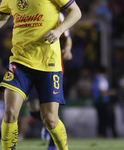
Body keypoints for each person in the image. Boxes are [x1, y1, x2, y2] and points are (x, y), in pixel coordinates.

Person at [0, 0, 81, 149]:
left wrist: (58, 31)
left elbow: (76, 11)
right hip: (20, 63)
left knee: (50, 119)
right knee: (10, 112)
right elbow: (0, 18)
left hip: (49, 64)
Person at [27, 12, 73, 150]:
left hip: (53, 66)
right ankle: (48, 124)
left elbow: (67, 37)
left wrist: (68, 50)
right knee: (33, 108)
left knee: (50, 113)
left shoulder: (57, 14)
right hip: (32, 64)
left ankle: (53, 145)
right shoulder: (29, 10)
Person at [92, 66, 117, 138]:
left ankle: (100, 135)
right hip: (102, 102)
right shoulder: (102, 79)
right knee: (104, 120)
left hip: (97, 102)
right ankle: (103, 135)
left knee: (100, 120)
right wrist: (111, 92)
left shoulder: (96, 79)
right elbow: (102, 92)